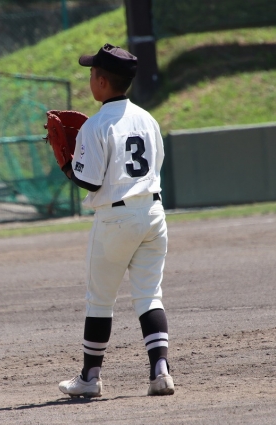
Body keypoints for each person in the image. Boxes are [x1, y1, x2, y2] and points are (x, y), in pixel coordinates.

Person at [58, 44, 174, 398]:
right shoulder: (148, 119)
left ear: (103, 82)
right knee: (149, 296)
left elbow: (90, 180)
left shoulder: (96, 125)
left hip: (115, 219)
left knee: (100, 301)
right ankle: (160, 370)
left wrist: (67, 165)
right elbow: (155, 165)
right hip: (153, 213)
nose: (90, 79)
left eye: (92, 74)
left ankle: (90, 377)